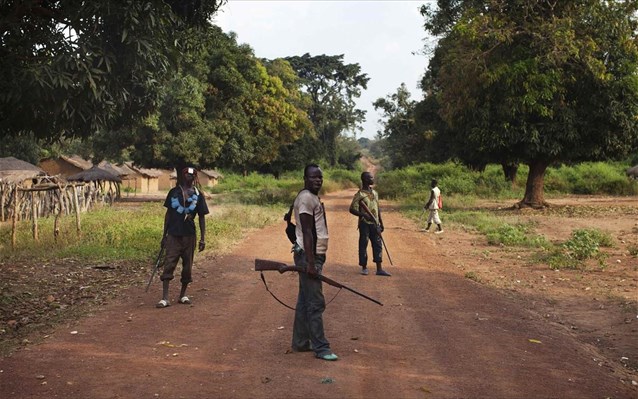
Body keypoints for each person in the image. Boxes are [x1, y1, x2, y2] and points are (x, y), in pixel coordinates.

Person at [290, 164, 338, 361]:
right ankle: (321, 347)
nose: (318, 180)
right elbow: (308, 232)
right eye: (313, 177)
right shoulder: (306, 199)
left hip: (312, 256)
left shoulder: (310, 197)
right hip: (309, 256)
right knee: (315, 303)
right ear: (305, 178)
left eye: (320, 178)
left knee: (304, 301)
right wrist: (311, 263)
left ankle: (301, 343)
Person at [156, 167, 209, 308]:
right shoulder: (173, 192)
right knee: (169, 264)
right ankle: (165, 298)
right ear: (182, 175)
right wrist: (164, 235)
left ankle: (182, 295)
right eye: (186, 174)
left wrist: (202, 238)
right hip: (173, 235)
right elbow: (168, 215)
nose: (189, 177)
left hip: (189, 236)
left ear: (195, 177)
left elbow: (202, 218)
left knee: (187, 267)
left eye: (192, 175)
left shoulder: (198, 195)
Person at [349, 172, 391, 277]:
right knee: (364, 244)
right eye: (371, 178)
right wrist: (363, 214)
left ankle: (379, 269)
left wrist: (381, 222)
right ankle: (364, 267)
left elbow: (378, 208)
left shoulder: (375, 193)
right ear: (365, 180)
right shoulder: (359, 195)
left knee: (377, 244)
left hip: (375, 223)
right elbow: (351, 209)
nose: (373, 179)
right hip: (364, 223)